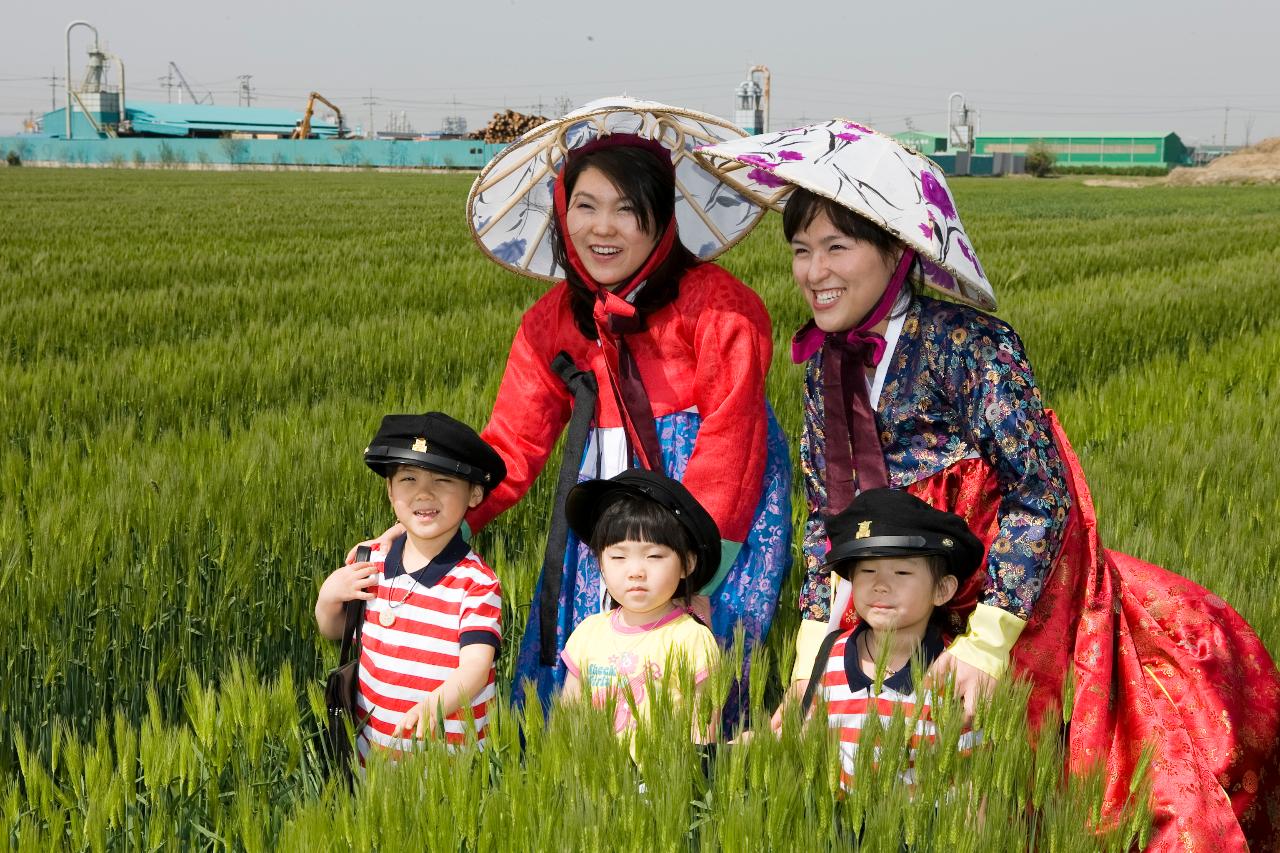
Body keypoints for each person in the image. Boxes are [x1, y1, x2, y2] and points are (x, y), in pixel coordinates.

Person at [695, 122, 1280, 850]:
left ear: (895, 250)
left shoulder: (969, 344)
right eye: (801, 251)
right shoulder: (823, 366)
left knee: (1035, 787)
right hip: (895, 590)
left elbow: (1041, 491)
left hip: (1009, 597)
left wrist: (984, 643)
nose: (813, 271)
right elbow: (829, 521)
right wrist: (809, 667)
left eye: (836, 247)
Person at [361, 98, 792, 719]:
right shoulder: (552, 321)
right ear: (563, 214)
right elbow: (512, 444)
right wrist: (438, 520)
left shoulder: (722, 307)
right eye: (585, 206)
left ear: (662, 219)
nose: (602, 228)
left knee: (692, 667)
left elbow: (732, 437)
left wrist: (696, 566)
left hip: (711, 506)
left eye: (626, 209)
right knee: (598, 654)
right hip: (605, 499)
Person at [317, 412, 506, 760]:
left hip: (447, 762)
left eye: (442, 480)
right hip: (371, 751)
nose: (423, 493)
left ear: (475, 494)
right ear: (390, 491)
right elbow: (338, 631)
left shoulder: (477, 583)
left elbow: (476, 668)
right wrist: (327, 598)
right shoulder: (369, 561)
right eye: (408, 478)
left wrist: (434, 707)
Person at [802, 488, 982, 789]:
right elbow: (807, 741)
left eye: (900, 571)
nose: (881, 585)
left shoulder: (952, 676)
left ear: (942, 590)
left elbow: (971, 786)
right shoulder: (830, 654)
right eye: (867, 570)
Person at [559, 469, 720, 744]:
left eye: (654, 556)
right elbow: (567, 718)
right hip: (592, 780)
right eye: (619, 556)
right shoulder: (588, 633)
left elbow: (702, 731)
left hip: (660, 782)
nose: (635, 571)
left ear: (687, 564)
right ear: (601, 563)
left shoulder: (691, 638)